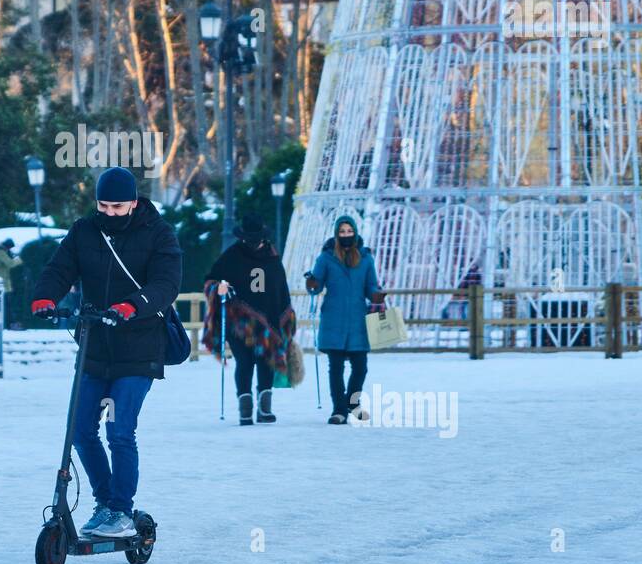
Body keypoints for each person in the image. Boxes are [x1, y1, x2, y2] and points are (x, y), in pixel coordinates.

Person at [30, 166, 181, 540]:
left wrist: (132, 306)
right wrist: (45, 296)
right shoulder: (85, 231)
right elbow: (59, 268)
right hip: (96, 350)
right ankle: (105, 503)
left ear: (133, 202)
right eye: (103, 205)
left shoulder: (158, 234)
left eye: (117, 206)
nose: (110, 213)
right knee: (81, 430)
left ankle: (122, 511)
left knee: (119, 431)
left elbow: (166, 284)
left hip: (139, 350)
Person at [200, 215, 295, 425]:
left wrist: (285, 317)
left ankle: (264, 408)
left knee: (266, 361)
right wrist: (218, 287)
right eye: (249, 239)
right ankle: (245, 408)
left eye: (257, 239)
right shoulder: (232, 255)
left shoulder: (272, 257)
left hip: (268, 320)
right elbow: (210, 279)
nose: (253, 243)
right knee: (244, 362)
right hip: (239, 322)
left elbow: (281, 288)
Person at [306, 215, 385, 424]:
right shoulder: (326, 258)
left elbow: (370, 286)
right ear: (336, 234)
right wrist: (312, 283)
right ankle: (339, 409)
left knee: (360, 367)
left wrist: (376, 295)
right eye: (342, 232)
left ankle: (353, 402)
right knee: (336, 367)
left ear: (355, 232)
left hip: (358, 320)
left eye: (349, 231)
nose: (346, 235)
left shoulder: (366, 259)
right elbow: (317, 286)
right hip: (334, 319)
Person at [0, 238, 23, 329]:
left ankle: (8, 324)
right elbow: (10, 263)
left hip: (3, 283)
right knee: (6, 306)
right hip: (1, 283)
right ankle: (9, 324)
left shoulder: (0, 252)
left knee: (6, 305)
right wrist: (20, 259)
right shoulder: (0, 253)